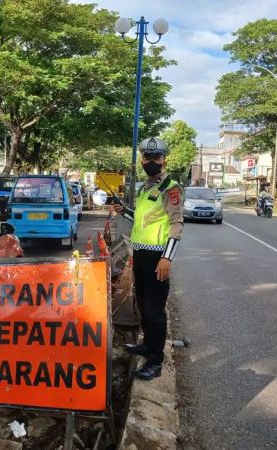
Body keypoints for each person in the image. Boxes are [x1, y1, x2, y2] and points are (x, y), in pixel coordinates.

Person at [113, 137, 184, 380]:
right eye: (146, 158)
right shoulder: (146, 188)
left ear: (164, 160)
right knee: (142, 306)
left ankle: (155, 360)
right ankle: (146, 345)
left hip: (157, 258)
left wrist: (167, 258)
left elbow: (176, 225)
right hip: (141, 255)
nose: (150, 162)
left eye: (156, 158)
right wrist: (125, 212)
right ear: (142, 160)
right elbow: (143, 221)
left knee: (155, 311)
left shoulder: (170, 188)